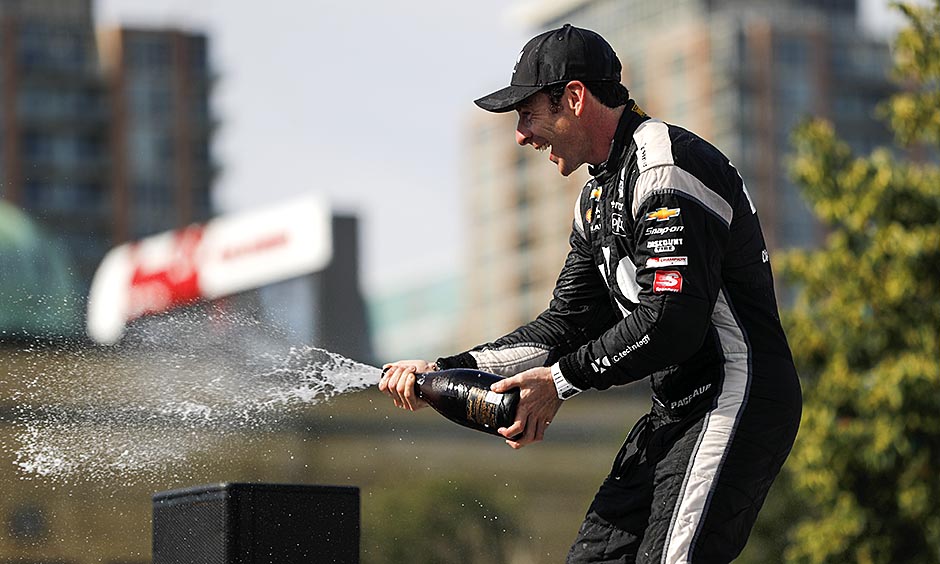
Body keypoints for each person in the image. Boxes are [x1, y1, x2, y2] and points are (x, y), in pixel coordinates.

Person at [380, 24, 802, 564]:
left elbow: (670, 320)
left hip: (736, 396)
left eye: (527, 113)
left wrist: (559, 383)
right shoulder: (596, 196)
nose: (520, 134)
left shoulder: (667, 164)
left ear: (574, 98)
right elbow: (564, 326)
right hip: (675, 409)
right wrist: (440, 369)